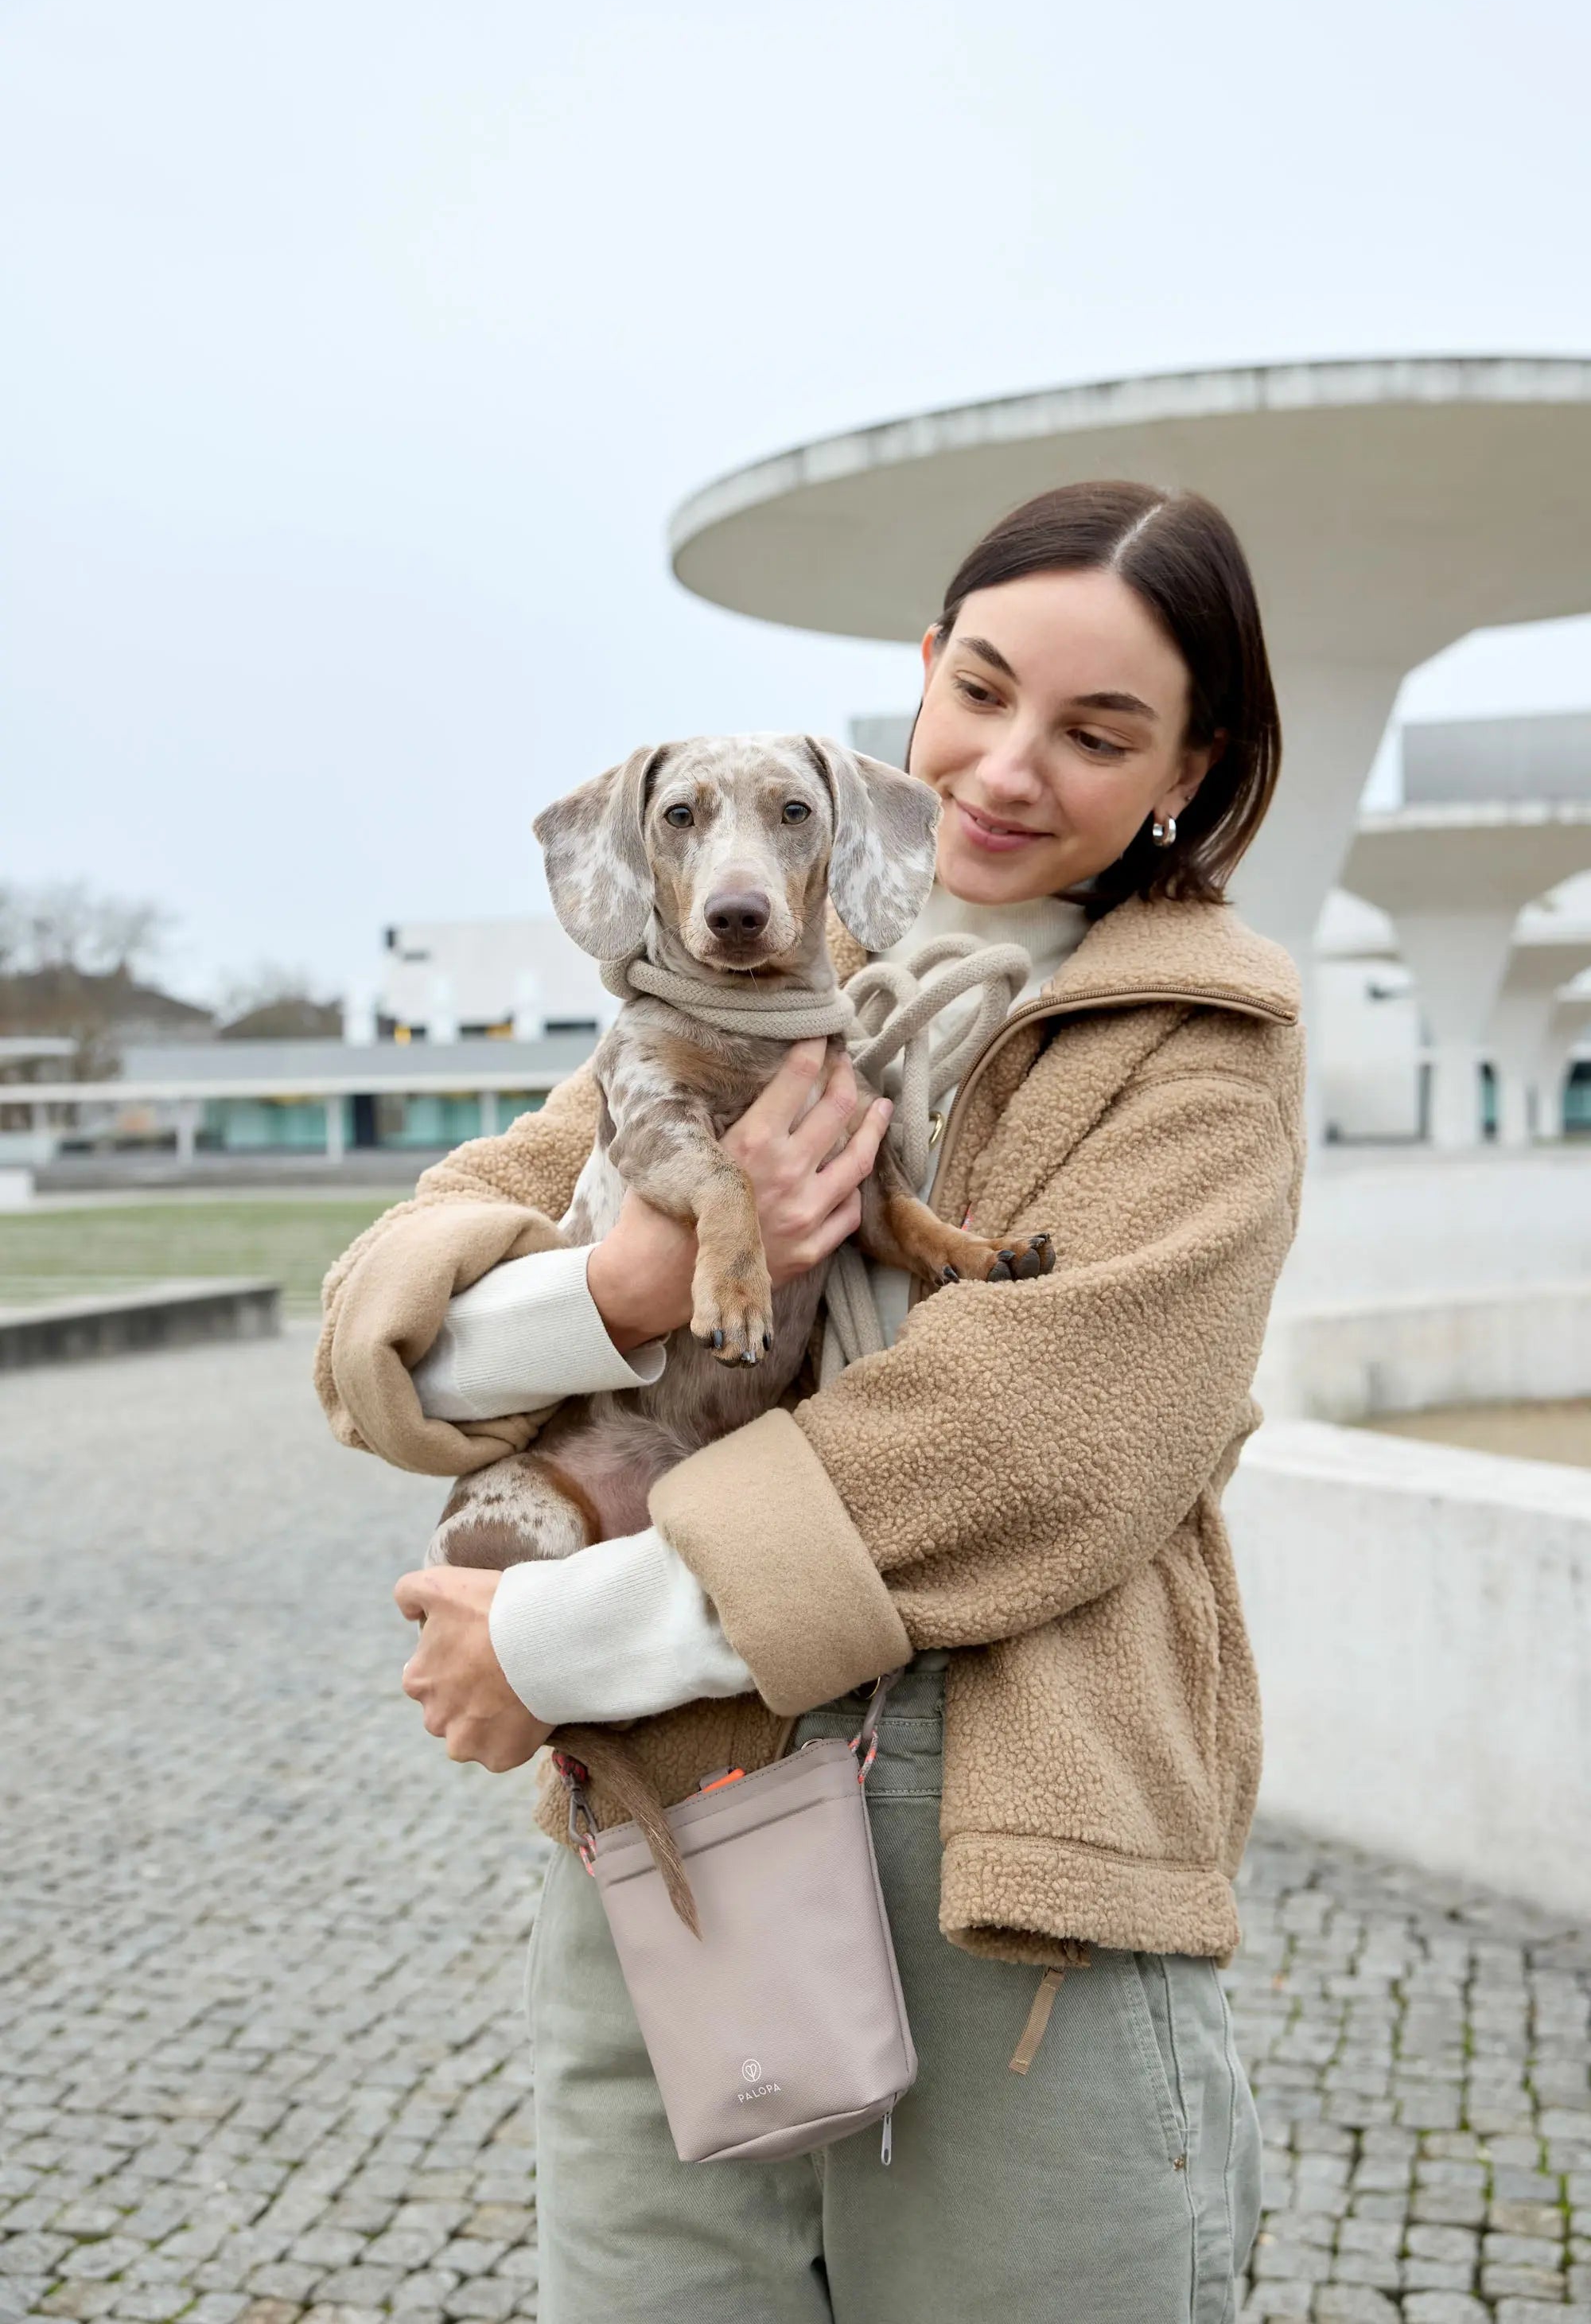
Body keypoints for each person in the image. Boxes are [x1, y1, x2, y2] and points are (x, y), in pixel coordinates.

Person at [317, 480, 1303, 2324]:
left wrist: (558, 1638)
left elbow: (1024, 1459)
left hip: (1018, 1897)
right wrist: (612, 1291)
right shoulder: (746, 987)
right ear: (919, 681)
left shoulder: (1197, 1053)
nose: (1009, 769)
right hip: (677, 1854)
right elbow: (386, 1337)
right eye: (982, 691)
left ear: (1190, 766)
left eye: (1096, 733)